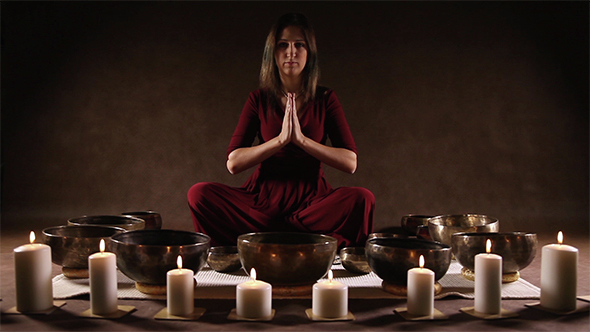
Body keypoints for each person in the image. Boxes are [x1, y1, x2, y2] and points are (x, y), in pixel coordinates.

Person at [187, 13, 374, 249]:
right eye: (283, 45)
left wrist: (302, 141)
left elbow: (350, 162)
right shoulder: (259, 99)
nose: (291, 52)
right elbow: (233, 163)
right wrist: (279, 141)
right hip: (261, 204)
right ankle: (293, 239)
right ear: (272, 53)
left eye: (299, 45)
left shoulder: (326, 98)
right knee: (199, 194)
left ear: (310, 53)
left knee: (362, 199)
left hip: (312, 204)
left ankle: (277, 238)